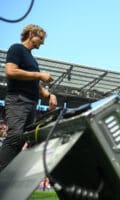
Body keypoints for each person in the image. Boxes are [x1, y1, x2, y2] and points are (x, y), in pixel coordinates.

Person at [0, 24, 57, 172]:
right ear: (31, 34)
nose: (43, 42)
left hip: (31, 103)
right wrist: (39, 75)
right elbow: (10, 71)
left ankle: (8, 175)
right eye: (41, 38)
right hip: (18, 100)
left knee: (24, 139)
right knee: (15, 137)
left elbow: (36, 86)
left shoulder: (32, 60)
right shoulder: (16, 49)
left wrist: (49, 95)